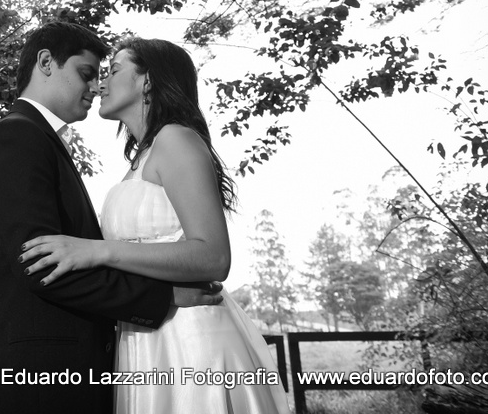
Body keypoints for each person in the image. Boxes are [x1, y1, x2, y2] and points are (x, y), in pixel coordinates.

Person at [19, 36, 291, 413]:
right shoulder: (140, 158)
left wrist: (99, 251)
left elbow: (213, 256)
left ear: (148, 80)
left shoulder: (176, 140)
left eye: (113, 70)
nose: (100, 84)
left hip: (191, 340)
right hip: (144, 336)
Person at [0, 22, 223, 414]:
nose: (96, 87)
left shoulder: (46, 141)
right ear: (46, 63)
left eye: (106, 74)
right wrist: (162, 297)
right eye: (86, 74)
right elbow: (39, 264)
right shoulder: (16, 136)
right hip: (31, 384)